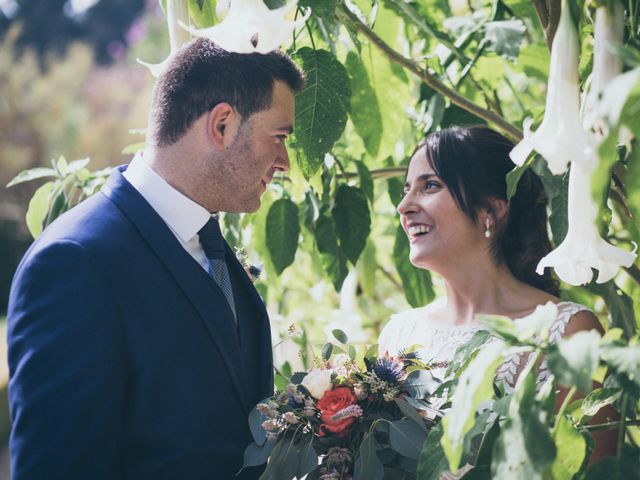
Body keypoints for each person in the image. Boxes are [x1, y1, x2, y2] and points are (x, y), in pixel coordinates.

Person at [7, 38, 304, 479]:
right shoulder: (74, 264)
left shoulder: (214, 248)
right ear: (222, 125)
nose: (285, 162)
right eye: (279, 136)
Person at [378, 125, 617, 471]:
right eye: (405, 190)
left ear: (491, 209)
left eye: (430, 186)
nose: (404, 206)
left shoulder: (568, 333)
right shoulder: (398, 335)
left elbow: (595, 472)